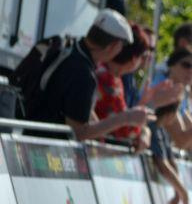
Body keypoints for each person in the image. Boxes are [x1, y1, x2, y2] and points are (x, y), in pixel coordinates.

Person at [24, 8, 155, 141]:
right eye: (122, 46)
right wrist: (125, 118)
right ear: (114, 46)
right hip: (43, 144)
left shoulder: (70, 48)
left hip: (28, 131)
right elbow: (79, 132)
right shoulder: (84, 74)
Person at [94, 23, 153, 146]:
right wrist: (143, 128)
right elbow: (124, 130)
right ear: (134, 59)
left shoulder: (109, 74)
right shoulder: (108, 80)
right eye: (143, 57)